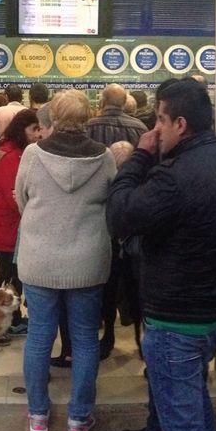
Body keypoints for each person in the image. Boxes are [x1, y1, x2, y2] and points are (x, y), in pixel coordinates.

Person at [108, 78, 216, 431]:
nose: (155, 130)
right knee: (191, 402)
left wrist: (139, 155)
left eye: (160, 121)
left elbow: (120, 215)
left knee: (184, 425)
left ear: (180, 124)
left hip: (176, 322)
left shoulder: (175, 176)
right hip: (208, 312)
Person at [15, 90, 115, 431]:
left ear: (52, 119)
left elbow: (21, 198)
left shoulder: (32, 154)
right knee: (86, 340)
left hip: (39, 260)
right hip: (87, 262)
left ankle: (38, 416)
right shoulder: (103, 158)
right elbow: (113, 202)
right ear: (87, 117)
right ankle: (78, 419)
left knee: (39, 337)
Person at [86, 83, 149, 359]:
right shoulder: (140, 130)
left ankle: (107, 333)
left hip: (100, 213)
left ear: (102, 101)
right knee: (135, 279)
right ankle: (139, 334)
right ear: (125, 103)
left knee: (106, 279)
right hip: (134, 213)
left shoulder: (89, 128)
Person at [0, 108, 39, 335]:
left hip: (6, 225)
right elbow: (13, 195)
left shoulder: (13, 152)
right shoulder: (11, 157)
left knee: (9, 276)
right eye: (33, 129)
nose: (37, 134)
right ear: (21, 130)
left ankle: (12, 321)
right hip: (6, 227)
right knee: (7, 277)